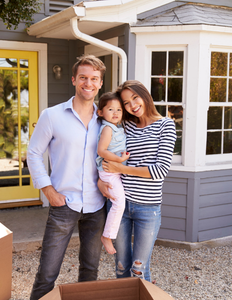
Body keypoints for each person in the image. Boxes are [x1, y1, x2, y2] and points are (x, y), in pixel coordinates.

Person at [27, 54, 107, 300]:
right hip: (64, 204)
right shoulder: (52, 115)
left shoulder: (106, 120)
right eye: (83, 77)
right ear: (74, 79)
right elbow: (33, 152)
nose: (88, 83)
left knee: (90, 270)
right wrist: (47, 189)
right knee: (48, 273)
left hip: (97, 205)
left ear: (100, 83)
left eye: (94, 78)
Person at [99, 80, 176, 282]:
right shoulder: (126, 126)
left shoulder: (165, 125)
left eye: (135, 98)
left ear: (145, 95)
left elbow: (160, 171)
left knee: (139, 269)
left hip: (148, 209)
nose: (132, 105)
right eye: (126, 103)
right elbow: (101, 145)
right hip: (120, 205)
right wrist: (100, 182)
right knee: (121, 267)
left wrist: (121, 168)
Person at [95, 92, 129, 255]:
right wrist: (119, 160)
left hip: (114, 171)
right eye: (110, 109)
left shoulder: (117, 127)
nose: (115, 113)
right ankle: (107, 236)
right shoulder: (108, 129)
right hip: (109, 171)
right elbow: (101, 150)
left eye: (119, 110)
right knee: (119, 203)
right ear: (100, 112)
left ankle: (108, 235)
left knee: (118, 201)